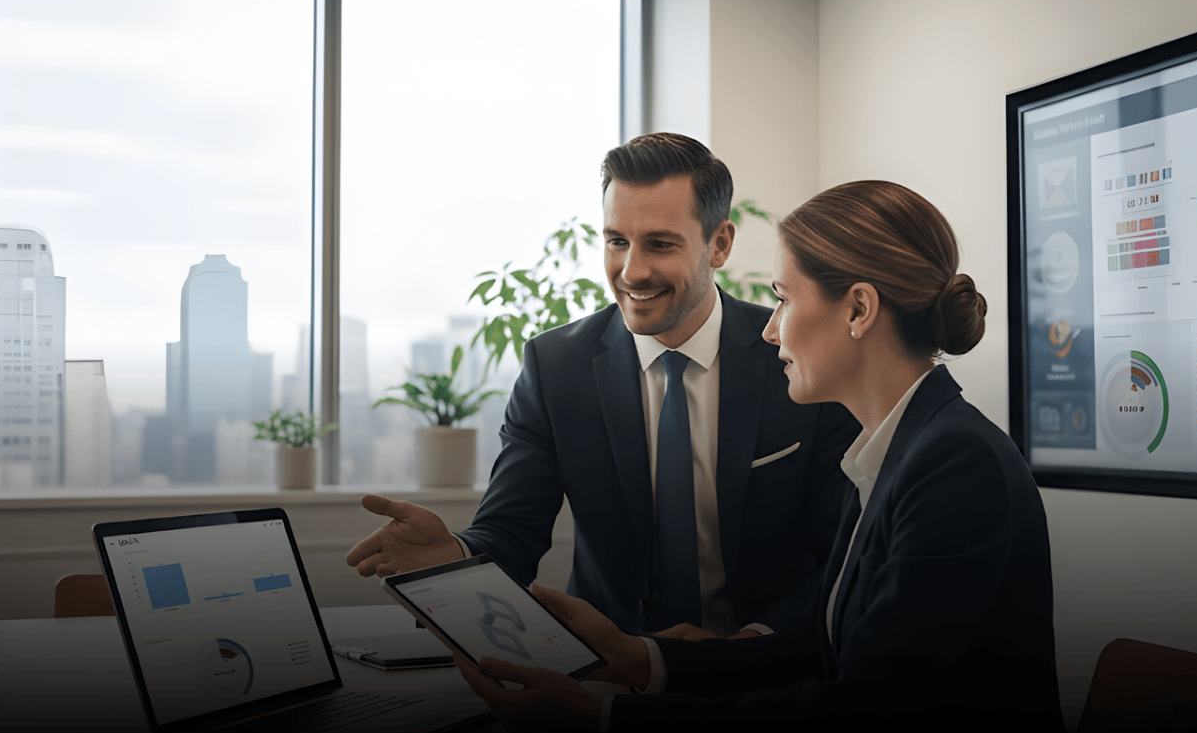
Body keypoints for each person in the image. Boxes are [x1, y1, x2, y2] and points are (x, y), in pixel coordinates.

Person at [455, 181, 1061, 733]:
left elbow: (869, 708)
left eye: (784, 299)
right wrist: (640, 658)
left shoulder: (954, 465)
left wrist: (603, 718)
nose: (771, 330)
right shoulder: (895, 450)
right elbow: (817, 649)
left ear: (858, 310)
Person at [346, 133, 859, 639]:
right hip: (609, 665)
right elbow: (510, 534)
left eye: (659, 244)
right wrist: (454, 557)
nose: (631, 272)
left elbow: (840, 552)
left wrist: (752, 644)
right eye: (617, 241)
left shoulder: (793, 357)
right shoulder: (555, 366)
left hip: (763, 672)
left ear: (718, 243)